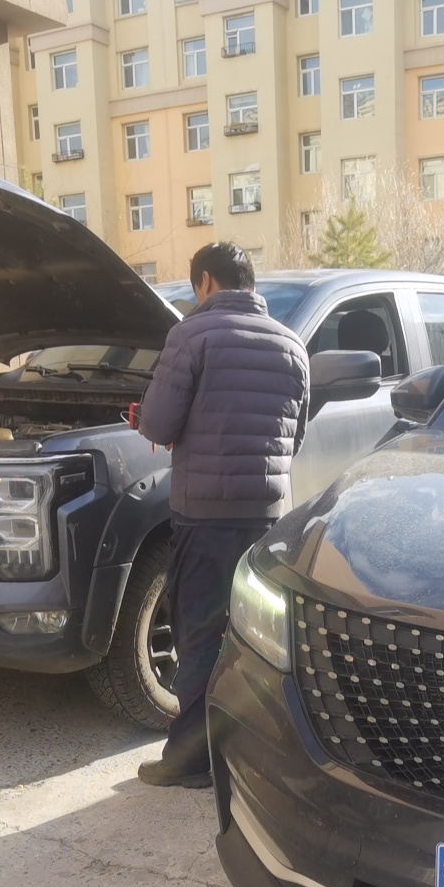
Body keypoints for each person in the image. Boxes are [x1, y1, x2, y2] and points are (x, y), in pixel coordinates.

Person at [135, 243, 310, 788]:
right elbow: (295, 438)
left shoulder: (191, 335)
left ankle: (190, 762)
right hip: (268, 520)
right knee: (259, 640)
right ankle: (253, 754)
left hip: (204, 518)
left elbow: (158, 424)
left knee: (200, 639)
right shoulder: (292, 345)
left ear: (205, 281)